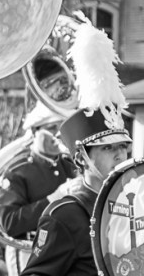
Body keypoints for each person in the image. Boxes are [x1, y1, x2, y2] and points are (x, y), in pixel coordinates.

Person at [21, 17, 131, 276]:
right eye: (107, 148)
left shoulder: (136, 204)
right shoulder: (66, 215)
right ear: (82, 159)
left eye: (123, 146)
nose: (120, 155)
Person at [0, 103, 76, 276]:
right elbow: (10, 223)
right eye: (51, 127)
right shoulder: (17, 170)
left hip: (68, 251)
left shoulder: (70, 166)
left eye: (61, 126)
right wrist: (53, 199)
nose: (58, 133)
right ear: (34, 132)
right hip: (31, 252)